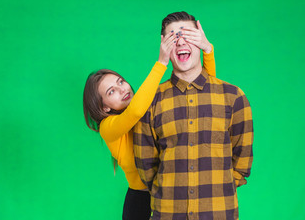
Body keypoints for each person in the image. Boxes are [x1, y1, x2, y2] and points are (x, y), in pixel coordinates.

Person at [82, 20, 216, 220]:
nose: (123, 89)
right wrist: (162, 62)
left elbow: (204, 95)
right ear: (104, 107)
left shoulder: (149, 104)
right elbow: (134, 113)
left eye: (121, 81)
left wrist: (208, 50)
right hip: (141, 201)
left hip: (173, 195)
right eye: (112, 92)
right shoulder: (108, 128)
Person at [133, 11, 253, 220]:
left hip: (219, 212)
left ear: (201, 41)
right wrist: (167, 190)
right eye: (173, 37)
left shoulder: (233, 97)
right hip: (167, 212)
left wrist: (220, 187)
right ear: (164, 46)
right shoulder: (150, 101)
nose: (181, 42)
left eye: (188, 35)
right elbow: (146, 165)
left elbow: (242, 161)